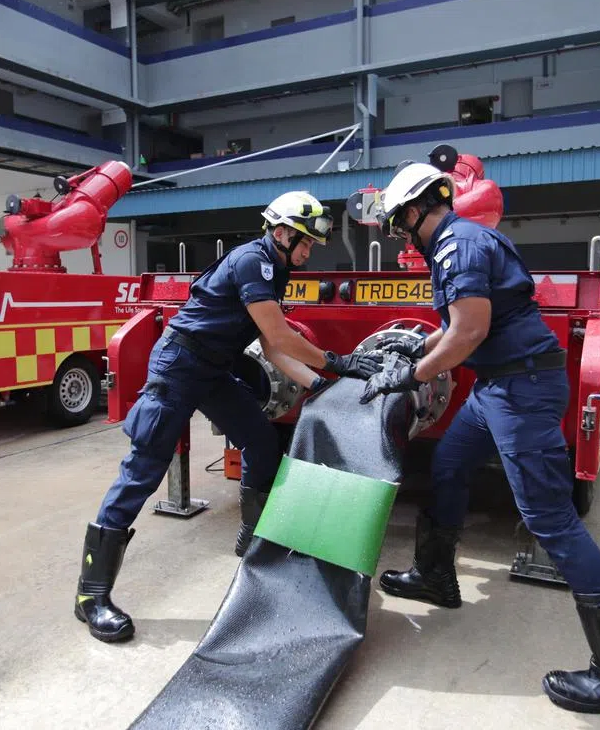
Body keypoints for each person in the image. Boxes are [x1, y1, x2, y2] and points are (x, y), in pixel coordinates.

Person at [359, 162, 600, 714]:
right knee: (450, 463)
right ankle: (435, 576)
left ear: (413, 210)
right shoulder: (463, 239)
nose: (398, 232)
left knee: (549, 516)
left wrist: (413, 373)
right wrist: (417, 352)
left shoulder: (458, 246)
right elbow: (464, 330)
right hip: (497, 386)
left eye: (398, 221)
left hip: (519, 390)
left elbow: (469, 329)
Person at [75, 190, 382, 644]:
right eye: (305, 242)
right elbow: (278, 333)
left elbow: (273, 346)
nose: (308, 251)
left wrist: (320, 384)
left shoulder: (275, 271)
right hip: (180, 368)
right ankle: (91, 595)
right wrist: (336, 361)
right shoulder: (251, 262)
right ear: (281, 232)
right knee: (142, 472)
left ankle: (252, 536)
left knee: (261, 441)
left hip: (214, 370)